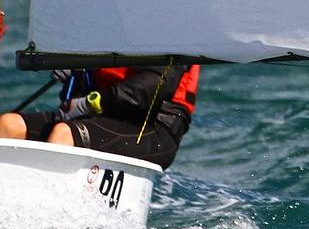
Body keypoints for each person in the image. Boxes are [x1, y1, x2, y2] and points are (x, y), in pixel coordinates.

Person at [0, 65, 200, 169]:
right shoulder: (106, 16)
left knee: (64, 134)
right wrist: (72, 64)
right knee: (8, 125)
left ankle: (46, 218)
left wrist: (88, 103)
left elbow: (152, 87)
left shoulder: (174, 20)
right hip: (100, 117)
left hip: (153, 128)